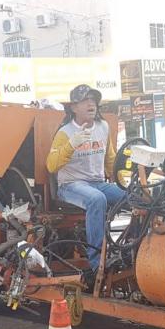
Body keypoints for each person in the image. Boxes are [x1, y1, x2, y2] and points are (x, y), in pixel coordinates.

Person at [46, 84, 125, 276]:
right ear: (73, 107)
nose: (91, 104)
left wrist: (123, 183)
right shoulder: (65, 133)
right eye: (85, 101)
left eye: (93, 100)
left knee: (134, 197)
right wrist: (72, 144)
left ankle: (131, 251)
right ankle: (97, 262)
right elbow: (51, 165)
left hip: (98, 183)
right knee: (96, 199)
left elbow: (110, 159)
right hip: (70, 185)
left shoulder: (103, 127)